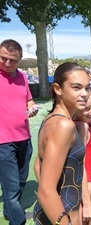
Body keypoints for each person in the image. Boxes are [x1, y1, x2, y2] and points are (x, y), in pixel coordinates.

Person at [33, 62, 91, 225]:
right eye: (76, 87)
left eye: (87, 88)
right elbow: (45, 191)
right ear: (58, 89)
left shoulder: (51, 119)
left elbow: (38, 166)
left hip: (52, 213)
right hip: (62, 216)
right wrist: (64, 221)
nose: (84, 94)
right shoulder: (63, 126)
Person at [0, 39, 39, 225]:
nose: (7, 63)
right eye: (3, 58)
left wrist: (33, 107)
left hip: (24, 138)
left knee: (22, 181)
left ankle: (10, 212)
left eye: (12, 60)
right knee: (11, 188)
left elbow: (28, 101)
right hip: (2, 142)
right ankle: (18, 221)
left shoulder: (23, 76)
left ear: (20, 60)